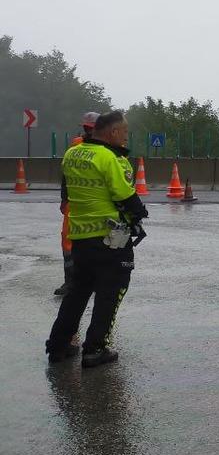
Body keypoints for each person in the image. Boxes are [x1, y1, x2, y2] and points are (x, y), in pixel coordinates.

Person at [46, 111, 148, 368]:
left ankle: (58, 345)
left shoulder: (72, 154)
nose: (126, 138)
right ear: (113, 132)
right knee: (110, 293)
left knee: (77, 292)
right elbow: (124, 195)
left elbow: (68, 189)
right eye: (124, 133)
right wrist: (139, 213)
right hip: (109, 239)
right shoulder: (110, 158)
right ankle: (95, 348)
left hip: (80, 237)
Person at [54, 112, 100, 296]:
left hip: (95, 202)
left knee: (96, 241)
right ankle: (71, 281)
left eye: (90, 128)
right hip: (74, 203)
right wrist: (64, 199)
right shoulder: (76, 146)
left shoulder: (108, 149)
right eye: (86, 128)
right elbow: (66, 174)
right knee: (68, 242)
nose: (88, 131)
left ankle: (91, 279)